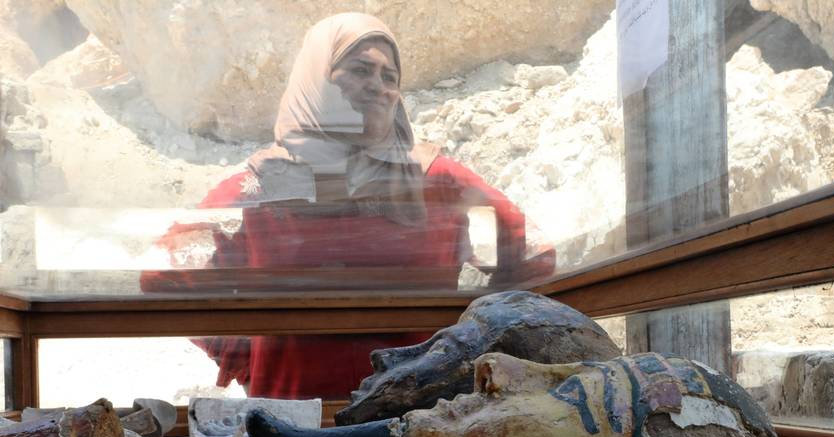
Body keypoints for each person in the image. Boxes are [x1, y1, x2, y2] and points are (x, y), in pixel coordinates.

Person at [144, 12, 552, 401]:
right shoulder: (261, 187)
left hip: (421, 421)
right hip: (289, 423)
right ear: (316, 80)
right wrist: (244, 355)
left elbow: (532, 255)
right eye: (360, 70)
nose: (379, 85)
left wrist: (473, 346)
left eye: (389, 76)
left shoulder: (436, 179)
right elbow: (165, 275)